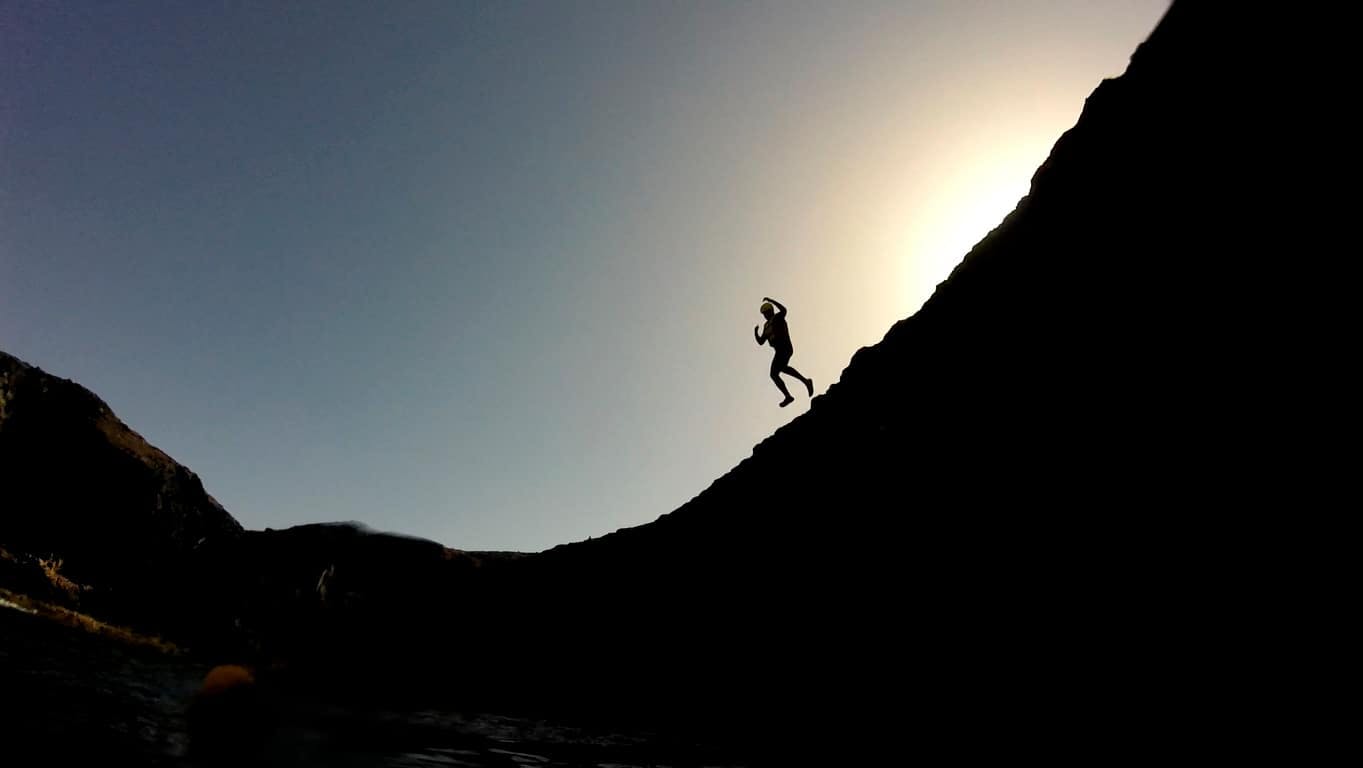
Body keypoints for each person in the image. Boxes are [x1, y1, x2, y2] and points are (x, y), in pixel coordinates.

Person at [754, 296, 814, 407]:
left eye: (766, 312)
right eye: (764, 314)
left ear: (771, 311)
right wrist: (756, 333)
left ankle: (791, 393)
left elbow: (784, 309)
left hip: (785, 347)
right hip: (779, 350)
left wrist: (771, 300)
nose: (765, 315)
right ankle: (803, 384)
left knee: (775, 372)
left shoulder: (778, 317)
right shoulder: (766, 326)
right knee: (778, 371)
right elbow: (761, 342)